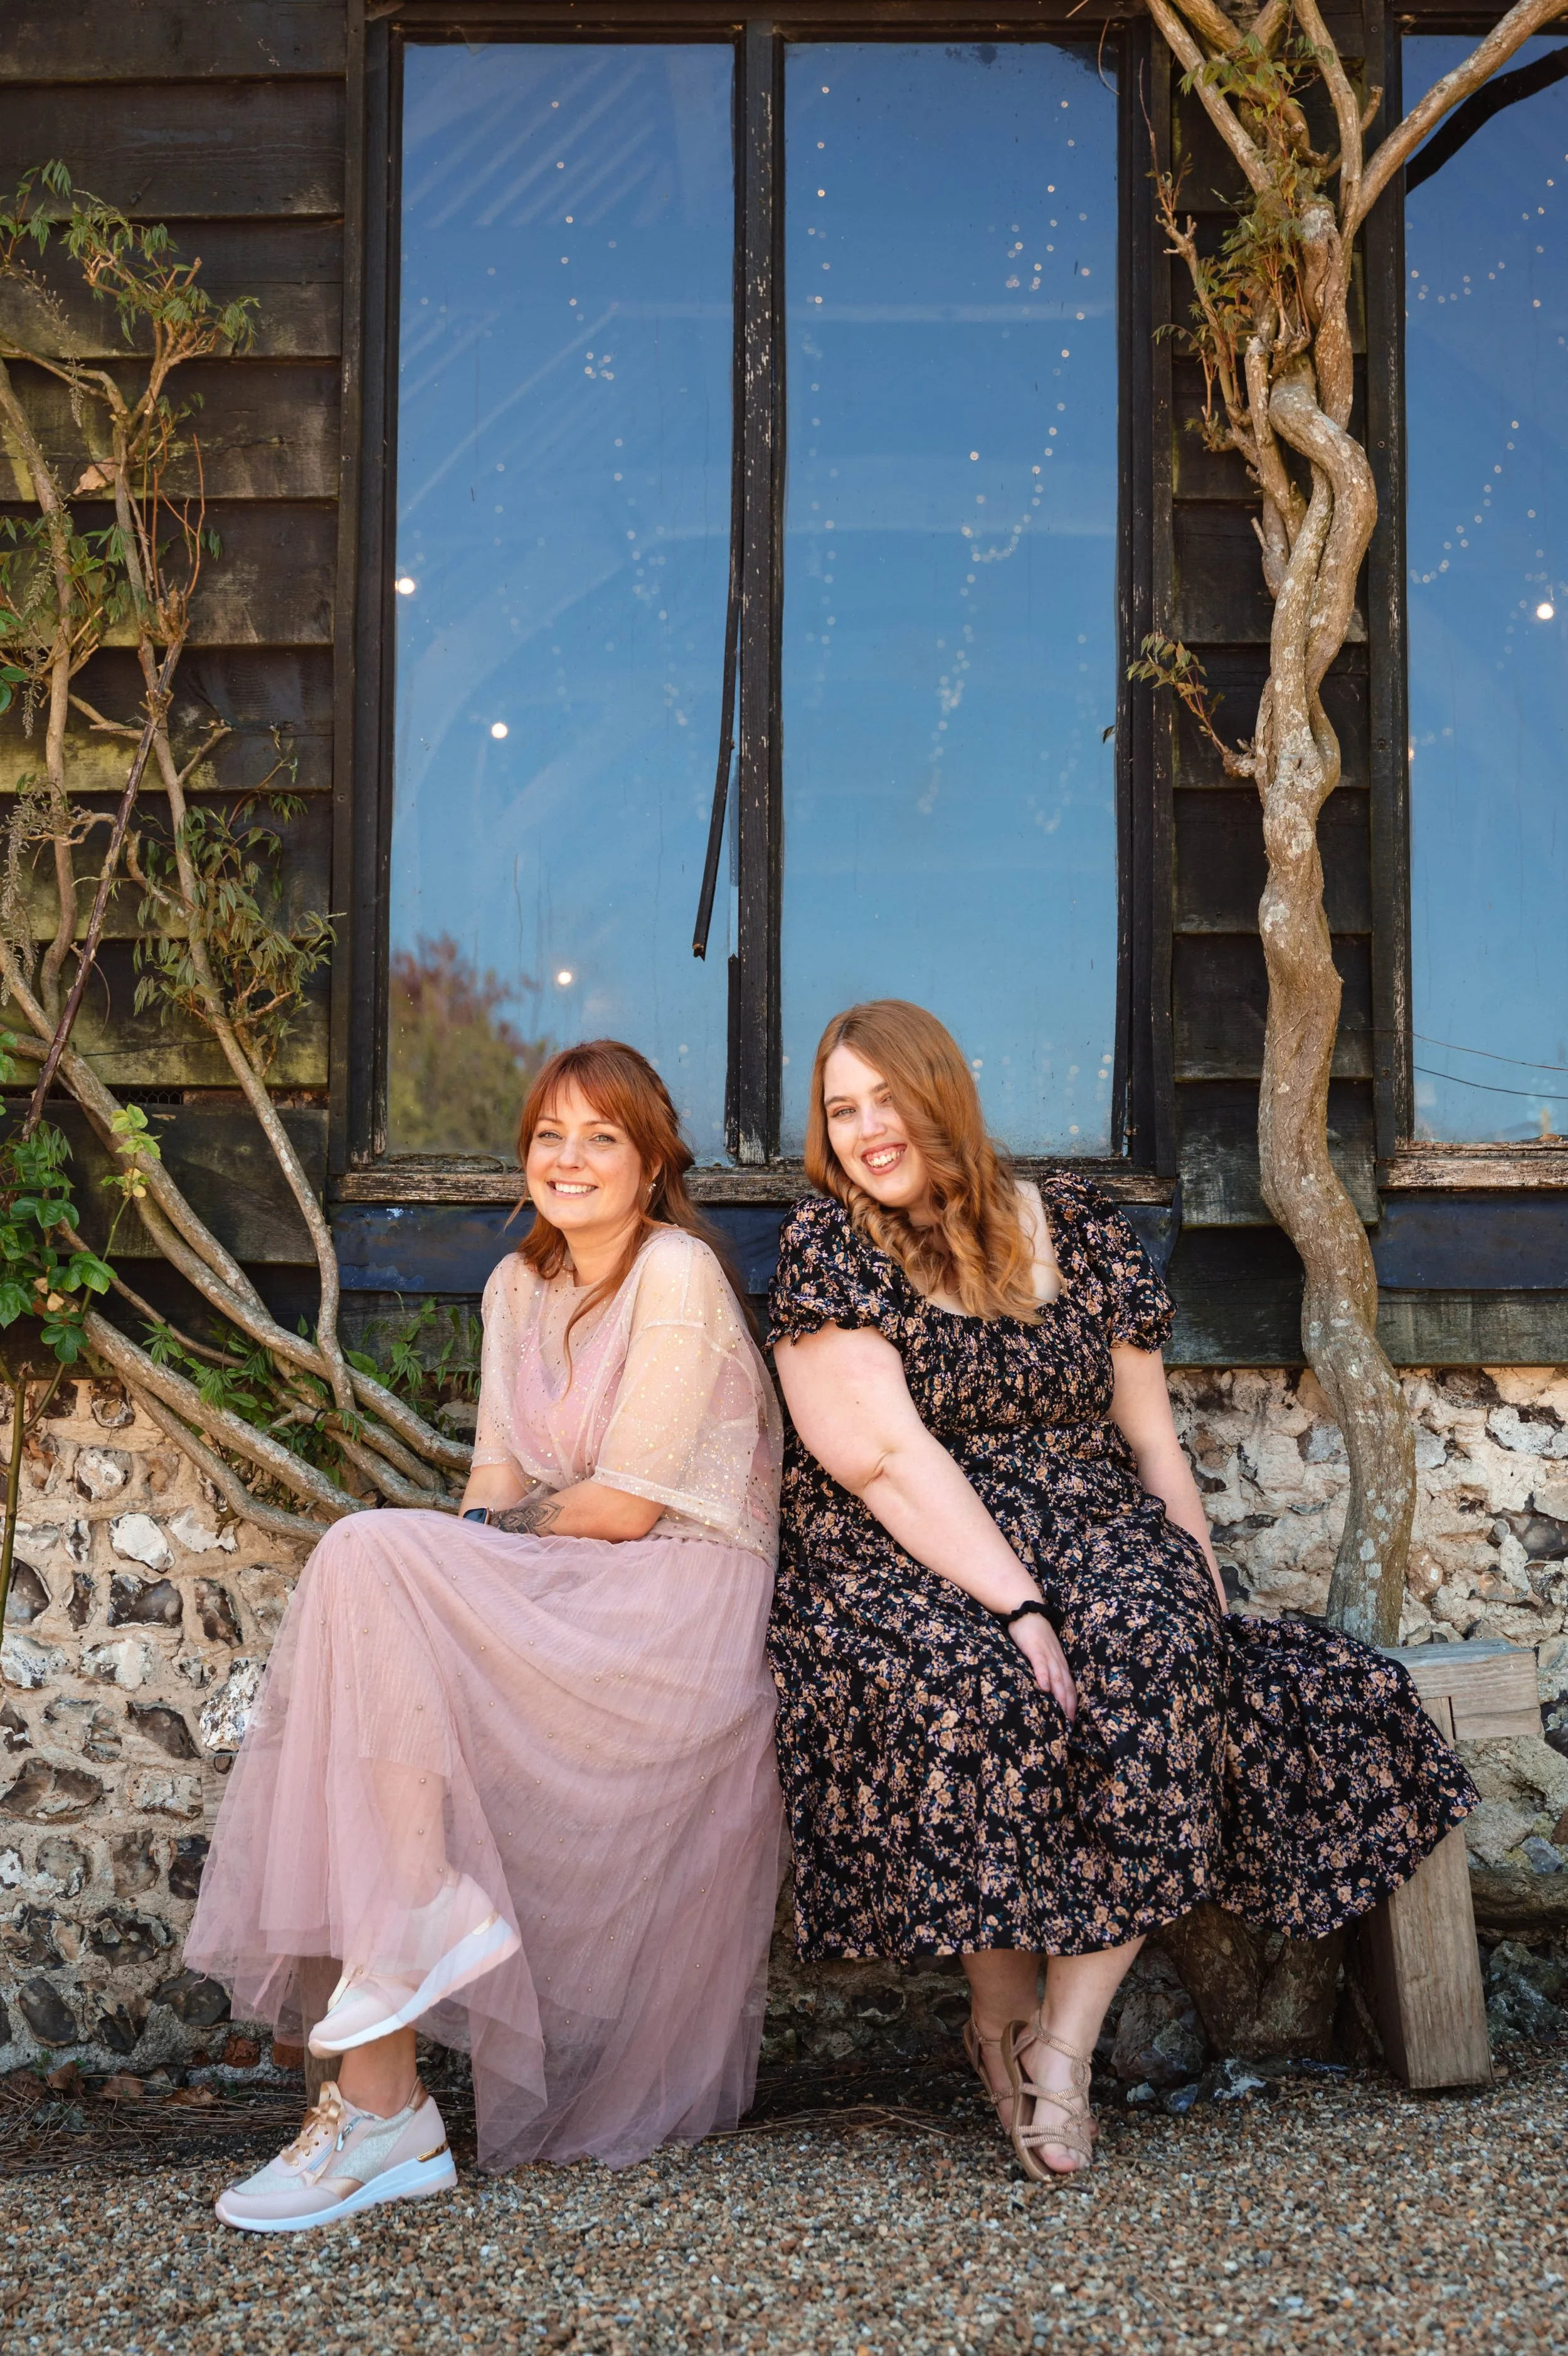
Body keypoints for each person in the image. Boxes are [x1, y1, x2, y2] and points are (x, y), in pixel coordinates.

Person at [766, 999, 1475, 2182]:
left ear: (944, 1093)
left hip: (1096, 1520)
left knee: (1156, 1665)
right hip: (906, 1542)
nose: (867, 1130)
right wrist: (1019, 1604)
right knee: (984, 1690)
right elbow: (887, 1459)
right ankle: (991, 2013)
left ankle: (1064, 2047)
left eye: (887, 1098)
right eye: (842, 1111)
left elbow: (1151, 1442)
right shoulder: (828, 1248)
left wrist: (1193, 1582)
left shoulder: (1077, 1227)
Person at [188, 1041, 785, 2229]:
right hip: (567, 1587)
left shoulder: (676, 1274)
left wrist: (471, 1556)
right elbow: (491, 1483)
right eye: (549, 1136)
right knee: (381, 1589)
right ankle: (389, 2055)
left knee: (375, 1555)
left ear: (652, 1160)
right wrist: (467, 1566)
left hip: (677, 1611)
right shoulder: (520, 1287)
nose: (568, 1160)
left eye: (600, 1138)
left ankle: (385, 2100)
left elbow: (622, 1505)